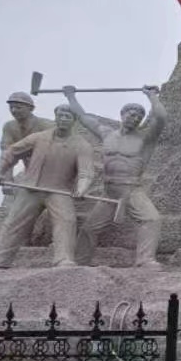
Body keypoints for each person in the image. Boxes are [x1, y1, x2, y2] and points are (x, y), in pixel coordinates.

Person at [0, 104, 96, 269]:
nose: (63, 119)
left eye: (68, 117)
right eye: (60, 115)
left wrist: (81, 189)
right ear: (55, 117)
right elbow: (11, 153)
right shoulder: (38, 137)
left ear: (74, 121)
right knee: (14, 222)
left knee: (66, 222)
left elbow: (86, 173)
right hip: (31, 188)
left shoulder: (82, 145)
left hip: (59, 191)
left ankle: (64, 259)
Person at [65, 85, 167, 268]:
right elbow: (83, 117)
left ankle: (145, 260)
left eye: (139, 116)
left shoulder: (144, 138)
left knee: (152, 219)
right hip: (109, 190)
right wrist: (70, 96)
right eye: (131, 114)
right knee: (90, 228)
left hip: (132, 189)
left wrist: (152, 96)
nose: (135, 118)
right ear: (122, 114)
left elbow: (160, 117)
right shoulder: (106, 134)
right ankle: (80, 262)